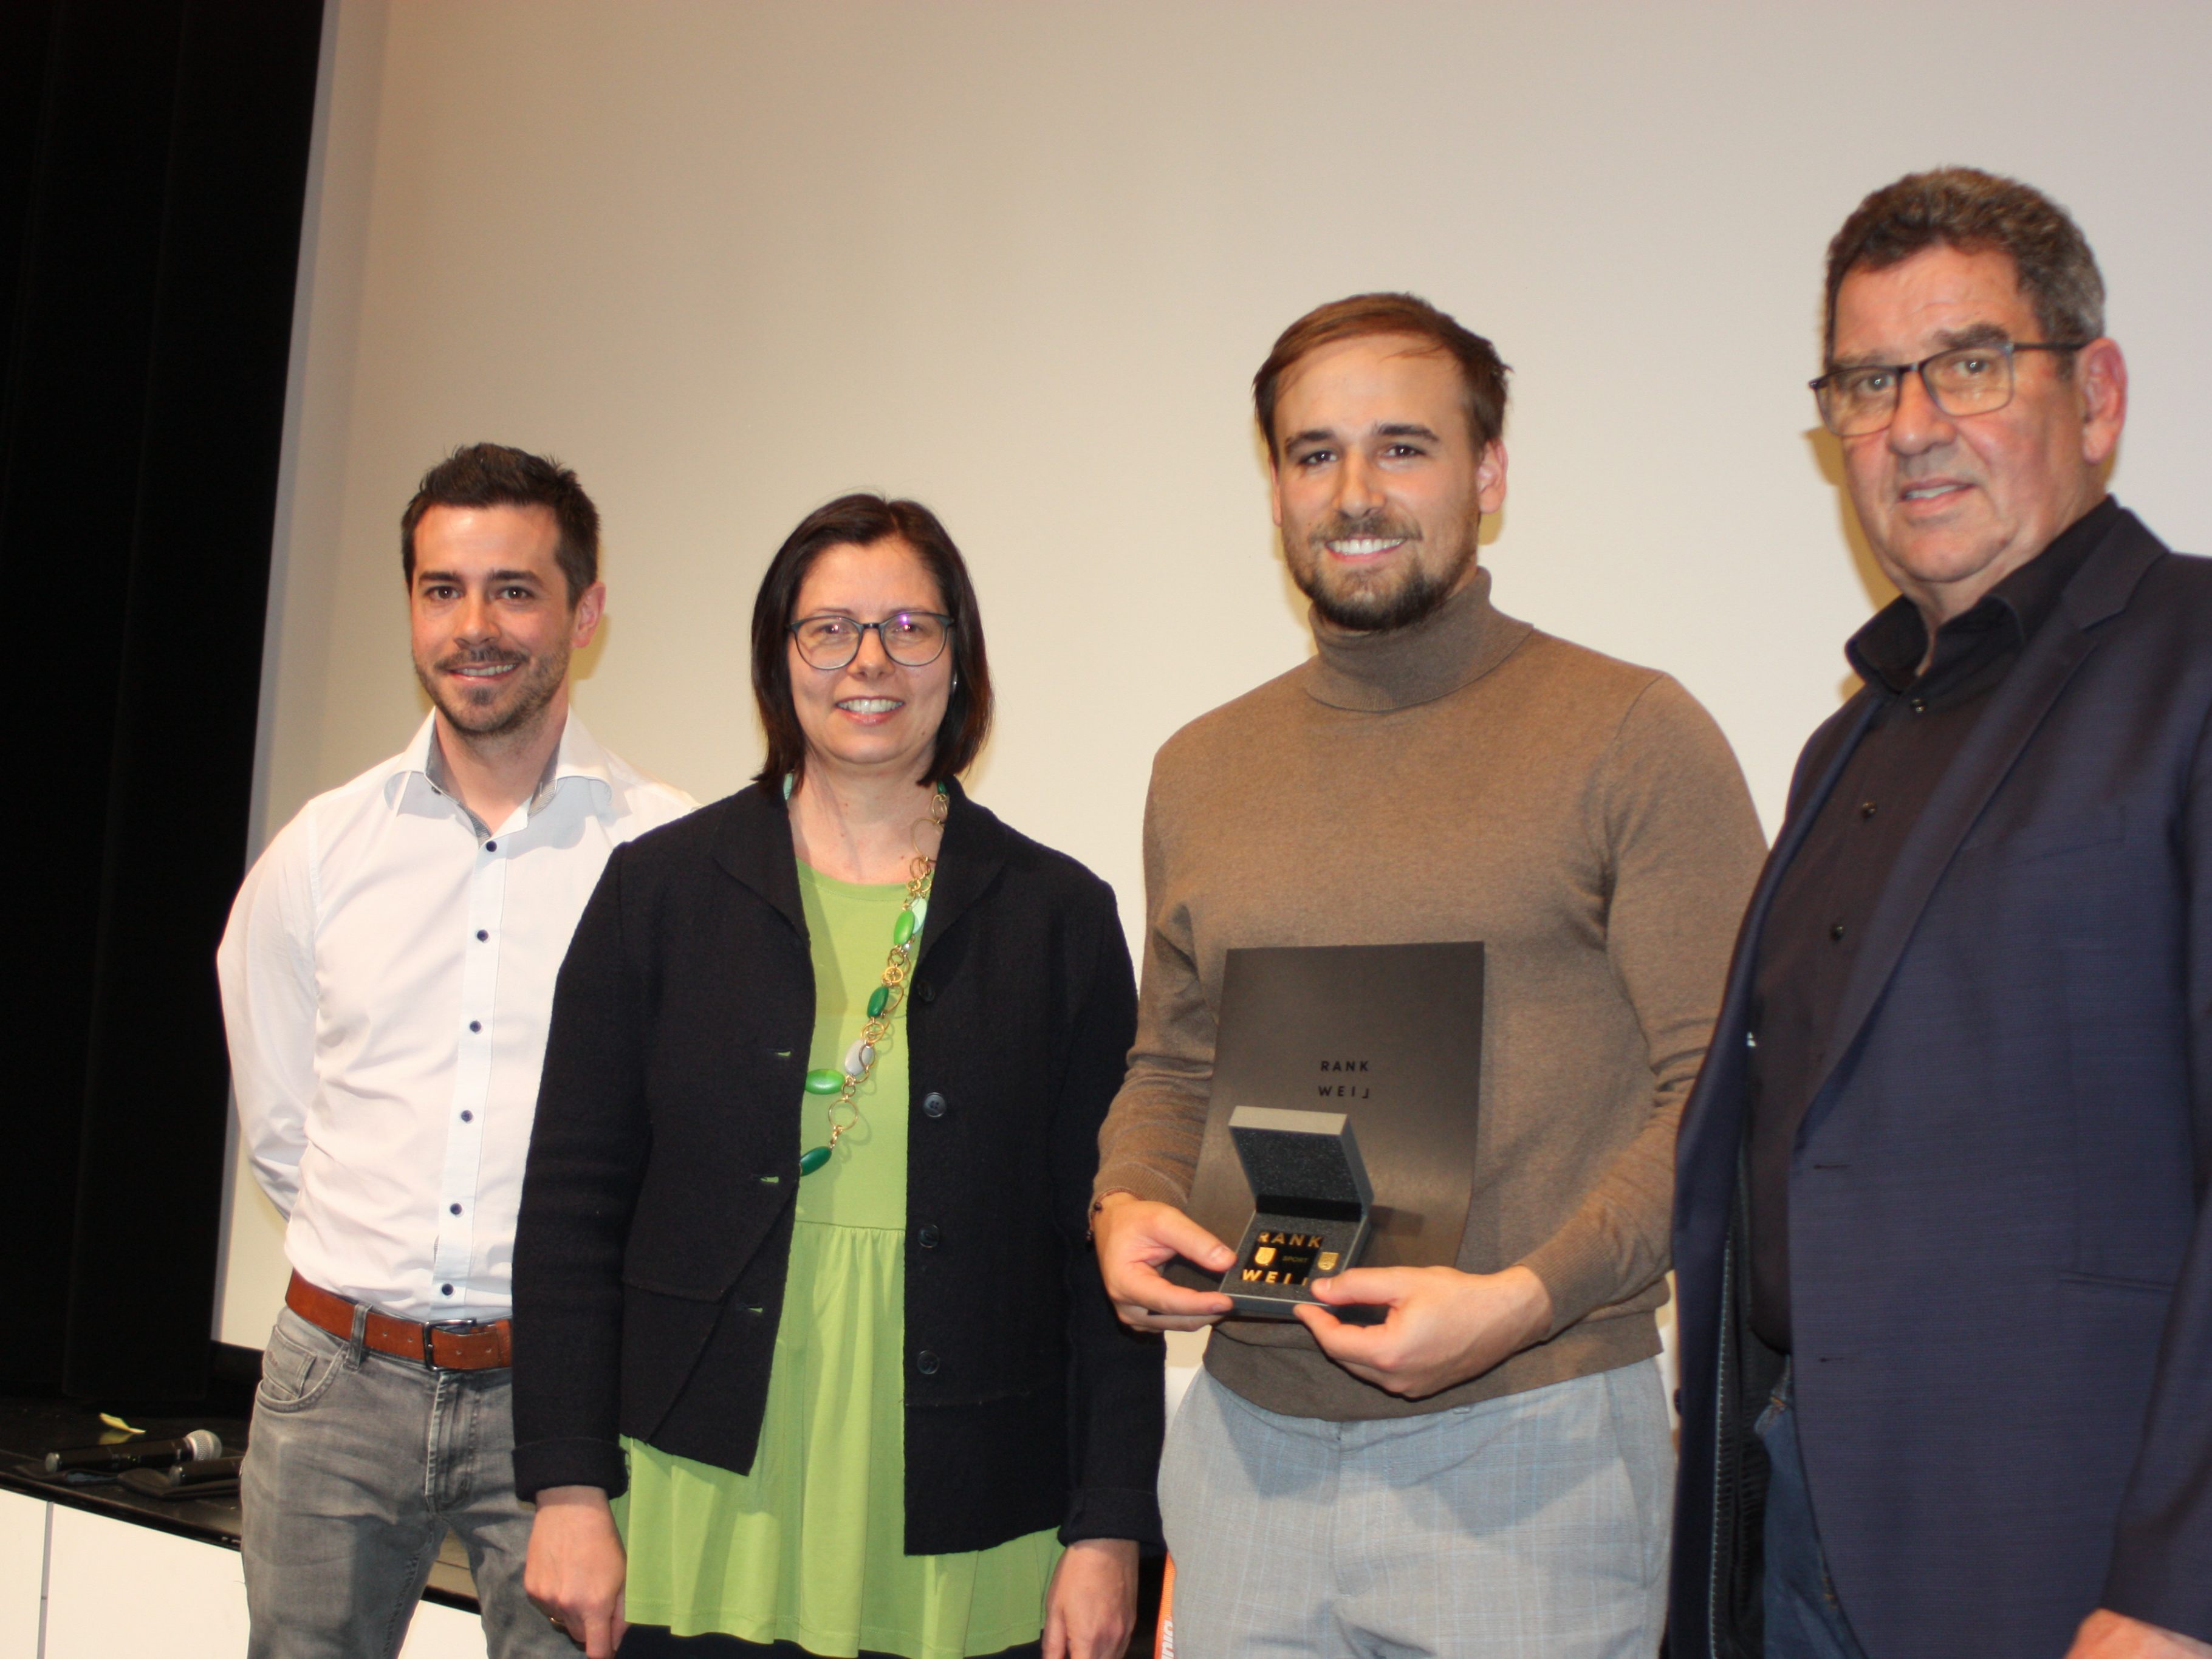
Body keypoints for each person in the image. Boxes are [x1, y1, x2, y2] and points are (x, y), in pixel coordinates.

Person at [1089, 293, 1765, 1658]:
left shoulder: (1632, 733)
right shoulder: (1201, 767)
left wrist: (1527, 1297)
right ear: (1274, 487)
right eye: (1311, 452)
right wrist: (1125, 1199)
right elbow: (1172, 1061)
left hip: (1538, 1446)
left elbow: (1724, 1090)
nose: (1354, 493)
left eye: (1402, 447)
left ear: (1489, 475)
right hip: (1245, 1453)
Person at [1668, 167, 2212, 1659]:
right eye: (1865, 381)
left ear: (2094, 394)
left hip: (2067, 1559)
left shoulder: (2195, 665)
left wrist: (2183, 1587)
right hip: (1797, 1525)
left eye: (1968, 365)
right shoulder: (1842, 743)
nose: (1911, 424)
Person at [510, 494, 1162, 1659]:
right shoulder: (656, 894)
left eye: (911, 627)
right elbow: (569, 1215)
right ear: (779, 659)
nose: (870, 661)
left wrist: (1111, 1528)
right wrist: (566, 1488)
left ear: (959, 662)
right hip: (698, 1490)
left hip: (969, 1504)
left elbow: (1101, 1247)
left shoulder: (1060, 918)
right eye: (829, 629)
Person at [217, 443, 697, 1658]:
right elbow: (282, 1126)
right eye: (442, 590)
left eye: (514, 590)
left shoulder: (670, 862)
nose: (474, 626)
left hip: (567, 1403)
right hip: (333, 1386)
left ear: (585, 613)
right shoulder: (322, 853)